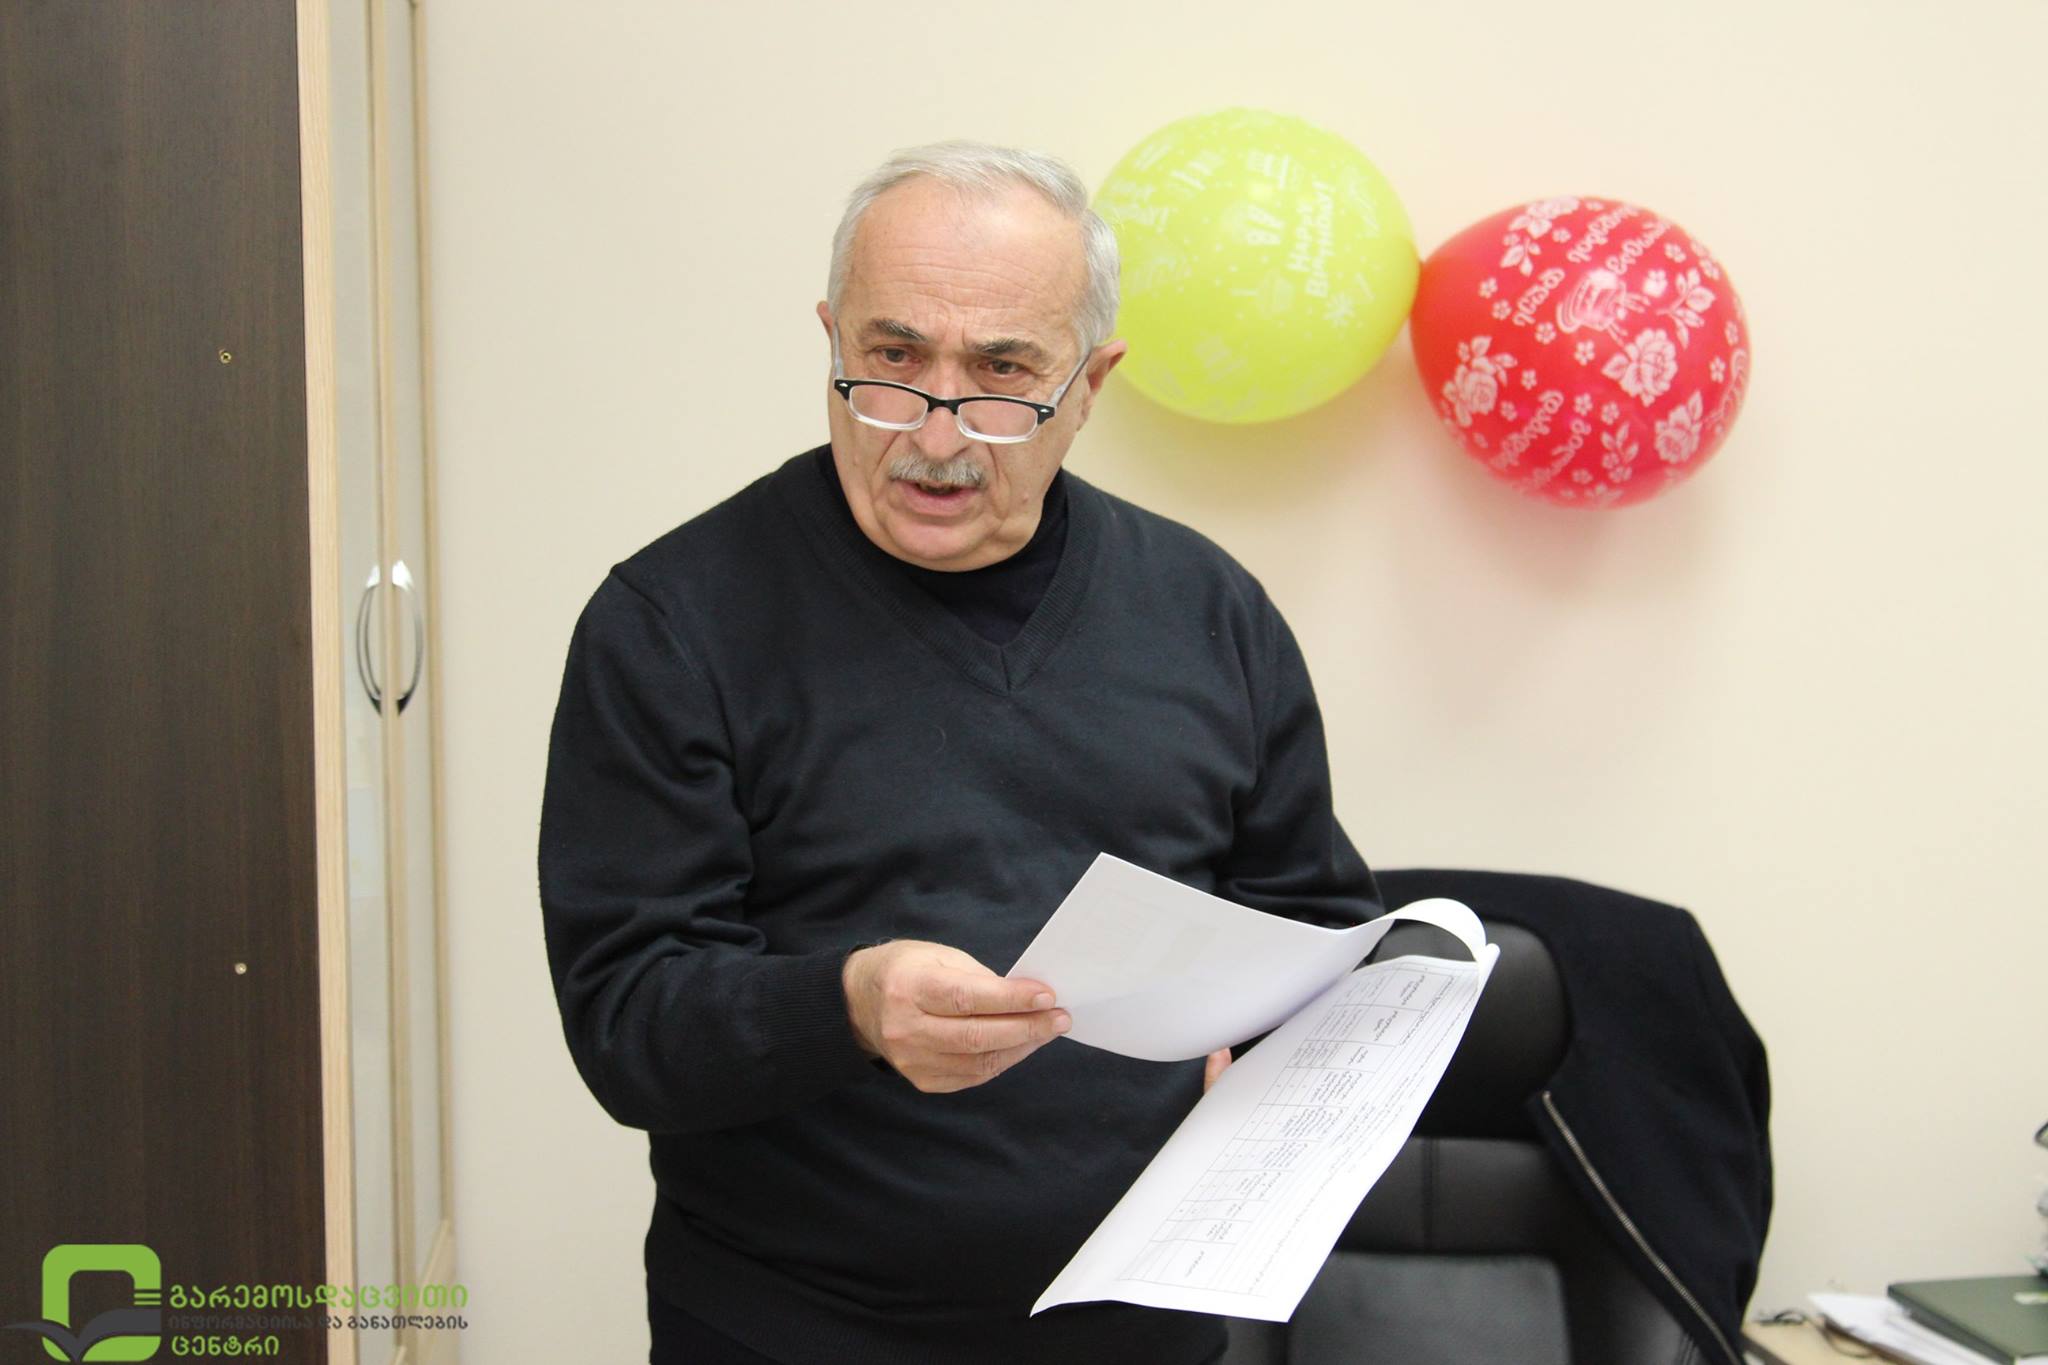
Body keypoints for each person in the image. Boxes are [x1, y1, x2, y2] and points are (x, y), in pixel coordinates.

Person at [538, 141, 1380, 1365]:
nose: (935, 434)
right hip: (788, 1327)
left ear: (1089, 385)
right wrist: (849, 1008)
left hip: (1136, 1323)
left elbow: (1311, 924)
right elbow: (628, 1025)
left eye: (1001, 374)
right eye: (891, 361)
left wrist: (1268, 1065)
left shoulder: (1208, 610)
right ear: (830, 340)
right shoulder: (673, 622)